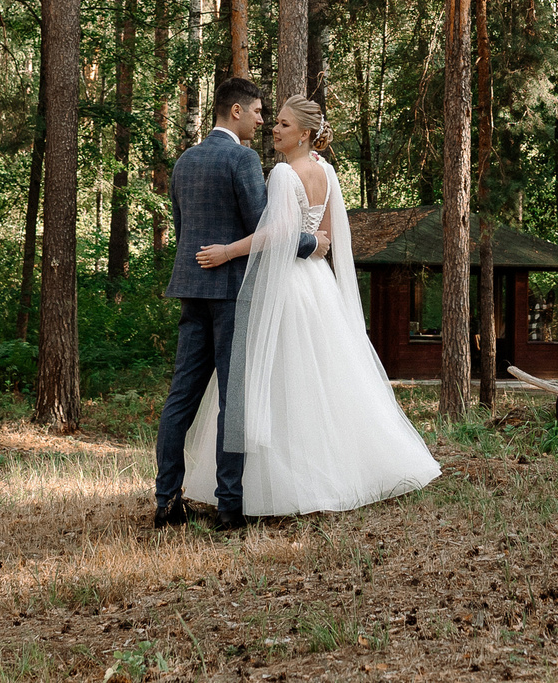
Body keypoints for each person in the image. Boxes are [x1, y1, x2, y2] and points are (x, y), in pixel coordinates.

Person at [179, 96, 440, 518]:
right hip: (318, 284)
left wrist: (228, 251)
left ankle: (281, 484)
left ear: (303, 133)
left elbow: (275, 233)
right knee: (320, 380)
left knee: (277, 378)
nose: (274, 130)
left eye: (282, 124)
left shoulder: (283, 172)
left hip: (285, 282)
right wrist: (314, 246)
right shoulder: (326, 171)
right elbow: (324, 237)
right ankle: (337, 470)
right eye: (274, 122)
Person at [153, 77, 328, 532]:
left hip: (192, 290)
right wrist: (312, 241)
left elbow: (182, 226)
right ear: (235, 111)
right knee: (235, 400)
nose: (262, 120)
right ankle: (229, 506)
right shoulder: (243, 158)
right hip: (232, 294)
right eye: (257, 112)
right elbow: (268, 227)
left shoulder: (185, 161)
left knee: (179, 400)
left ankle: (166, 501)